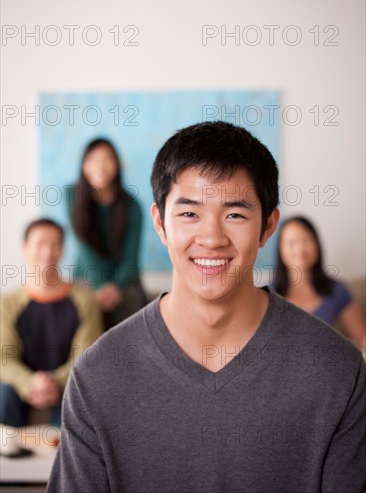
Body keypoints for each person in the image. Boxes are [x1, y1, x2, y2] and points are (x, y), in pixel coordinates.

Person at [47, 122, 366, 493]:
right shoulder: (97, 375)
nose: (212, 239)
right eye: (189, 214)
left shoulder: (338, 372)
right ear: (159, 224)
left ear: (268, 226)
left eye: (234, 214)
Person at [0, 219, 103, 427]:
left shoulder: (84, 299)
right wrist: (30, 383)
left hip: (67, 384)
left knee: (81, 395)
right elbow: (4, 358)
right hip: (20, 387)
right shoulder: (8, 302)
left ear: (62, 250)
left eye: (54, 244)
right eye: (40, 244)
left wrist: (55, 382)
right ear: (25, 248)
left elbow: (86, 356)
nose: (47, 251)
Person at [65, 138, 146, 330]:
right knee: (83, 304)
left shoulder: (132, 205)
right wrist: (100, 285)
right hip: (87, 275)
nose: (99, 166)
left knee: (132, 303)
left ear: (117, 164)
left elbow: (131, 260)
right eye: (92, 159)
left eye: (107, 159)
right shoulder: (71, 195)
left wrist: (115, 287)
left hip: (123, 279)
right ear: (83, 165)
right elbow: (84, 247)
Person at [272, 216, 366, 352]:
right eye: (291, 243)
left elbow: (361, 337)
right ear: (280, 250)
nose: (300, 249)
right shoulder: (266, 294)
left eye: (306, 240)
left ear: (317, 244)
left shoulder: (337, 290)